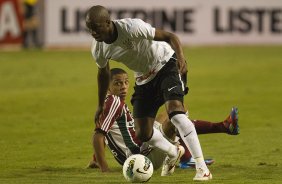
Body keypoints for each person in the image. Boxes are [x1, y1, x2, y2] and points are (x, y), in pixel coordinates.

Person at [86, 5, 214, 180]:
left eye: (96, 27)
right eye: (90, 28)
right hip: (143, 78)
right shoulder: (98, 48)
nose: (93, 32)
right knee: (143, 133)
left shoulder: (132, 27)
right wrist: (100, 104)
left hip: (165, 63)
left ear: (108, 22)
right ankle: (173, 152)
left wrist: (181, 58)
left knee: (176, 113)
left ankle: (202, 168)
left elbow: (170, 36)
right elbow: (103, 74)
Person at [88, 68, 239, 172]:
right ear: (107, 87)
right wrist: (104, 168)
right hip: (141, 153)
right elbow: (98, 135)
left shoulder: (110, 102)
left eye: (126, 82)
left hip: (139, 146)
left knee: (171, 112)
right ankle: (186, 158)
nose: (124, 87)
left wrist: (95, 159)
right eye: (117, 83)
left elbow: (106, 132)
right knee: (176, 116)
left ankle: (224, 127)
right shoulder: (113, 101)